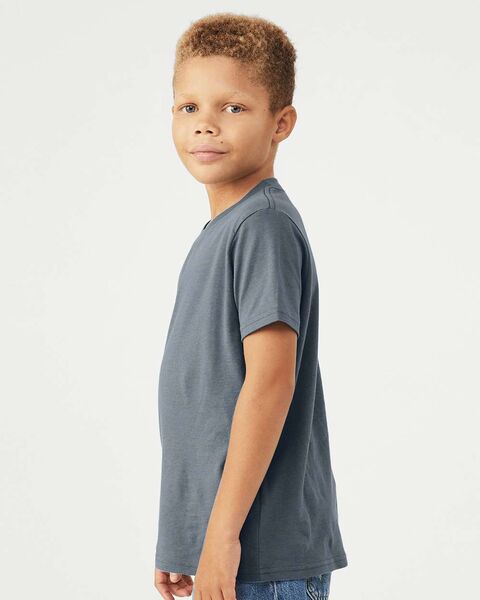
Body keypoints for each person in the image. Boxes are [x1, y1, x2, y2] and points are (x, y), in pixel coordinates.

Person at [154, 12, 348, 600]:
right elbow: (204, 405)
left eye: (233, 107)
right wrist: (184, 537)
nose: (206, 124)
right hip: (232, 549)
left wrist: (220, 539)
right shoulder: (227, 230)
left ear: (280, 122)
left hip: (259, 556)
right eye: (189, 107)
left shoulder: (262, 226)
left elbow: (269, 383)